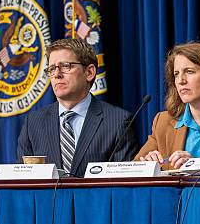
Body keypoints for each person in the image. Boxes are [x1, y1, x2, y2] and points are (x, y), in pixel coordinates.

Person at [17, 38, 139, 177]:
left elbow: (123, 185)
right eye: (52, 69)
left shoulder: (118, 122)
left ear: (89, 73)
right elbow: (24, 182)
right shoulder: (33, 123)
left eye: (66, 66)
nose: (57, 74)